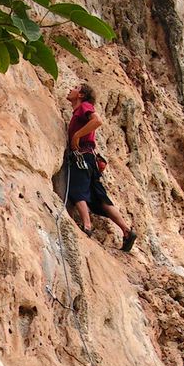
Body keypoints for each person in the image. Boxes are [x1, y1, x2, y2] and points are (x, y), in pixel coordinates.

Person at [65, 83, 137, 252]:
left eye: (75, 87)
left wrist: (77, 135)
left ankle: (87, 225)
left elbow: (97, 121)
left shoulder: (84, 106)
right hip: (90, 158)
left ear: (81, 95)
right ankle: (126, 231)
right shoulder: (79, 110)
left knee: (77, 189)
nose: (70, 89)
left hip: (82, 156)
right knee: (100, 198)